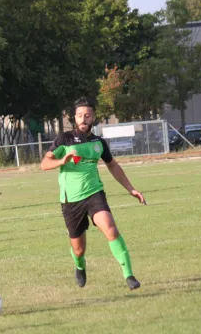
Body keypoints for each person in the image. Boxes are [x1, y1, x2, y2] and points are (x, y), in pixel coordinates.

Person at [40, 97, 146, 290]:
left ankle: (129, 275)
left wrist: (131, 188)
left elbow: (112, 165)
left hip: (94, 194)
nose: (83, 119)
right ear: (75, 117)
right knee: (78, 249)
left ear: (93, 118)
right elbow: (44, 164)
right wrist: (61, 161)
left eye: (87, 115)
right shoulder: (64, 139)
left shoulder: (99, 143)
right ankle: (79, 266)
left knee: (110, 227)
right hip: (70, 200)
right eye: (79, 115)